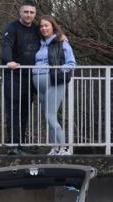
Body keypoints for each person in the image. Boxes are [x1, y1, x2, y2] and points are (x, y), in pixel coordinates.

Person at [32, 15, 76, 155]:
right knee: (48, 118)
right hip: (40, 85)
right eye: (41, 26)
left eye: (47, 25)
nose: (44, 28)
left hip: (54, 83)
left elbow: (71, 64)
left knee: (51, 116)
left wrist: (56, 72)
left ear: (53, 27)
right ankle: (55, 148)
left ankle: (64, 148)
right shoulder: (41, 44)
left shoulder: (62, 43)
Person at [1, 1, 41, 155]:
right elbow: (6, 46)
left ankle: (20, 146)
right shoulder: (11, 28)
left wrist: (61, 37)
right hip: (14, 75)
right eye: (26, 12)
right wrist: (9, 61)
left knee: (25, 111)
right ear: (20, 12)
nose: (29, 15)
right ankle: (13, 146)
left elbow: (50, 37)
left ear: (35, 14)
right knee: (13, 110)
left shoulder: (37, 29)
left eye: (31, 12)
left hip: (31, 77)